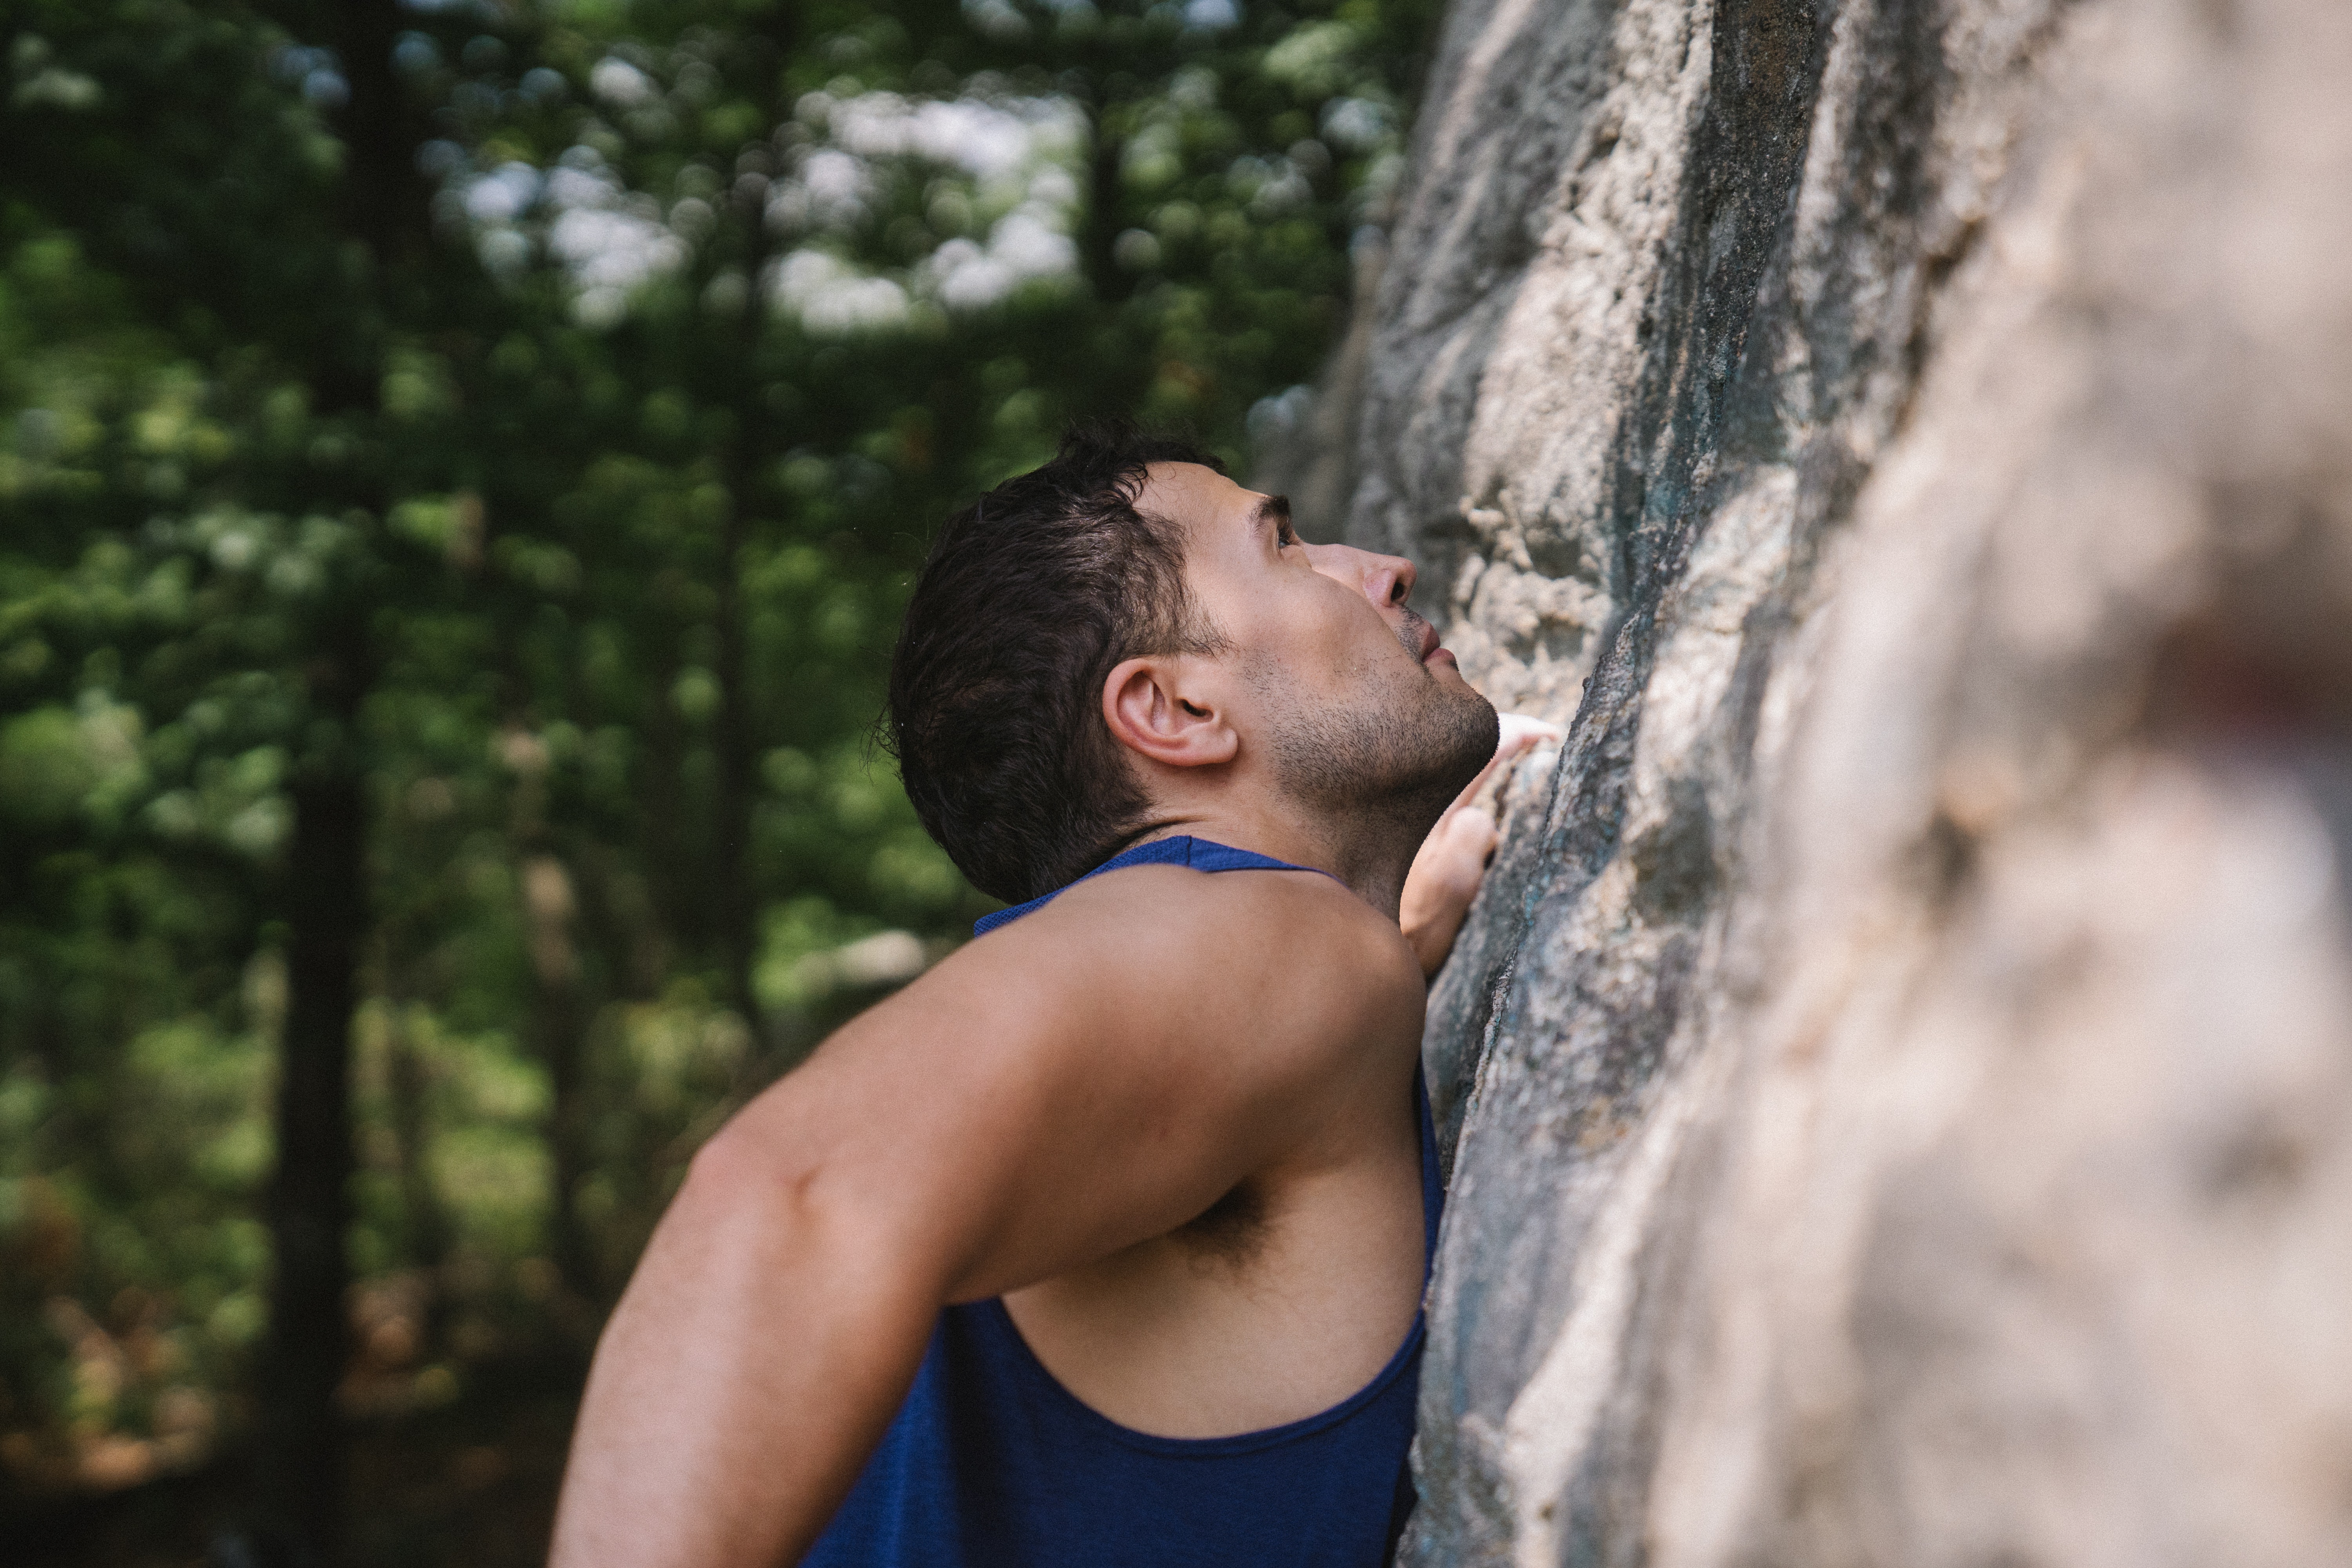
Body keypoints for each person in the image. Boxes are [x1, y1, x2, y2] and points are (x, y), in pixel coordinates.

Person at [548, 426, 1551, 1566]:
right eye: (1283, 546)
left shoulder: (1251, 988)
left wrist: (1403, 928)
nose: (1379, 565)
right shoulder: (1280, 940)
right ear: (1172, 712)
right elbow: (784, 1199)